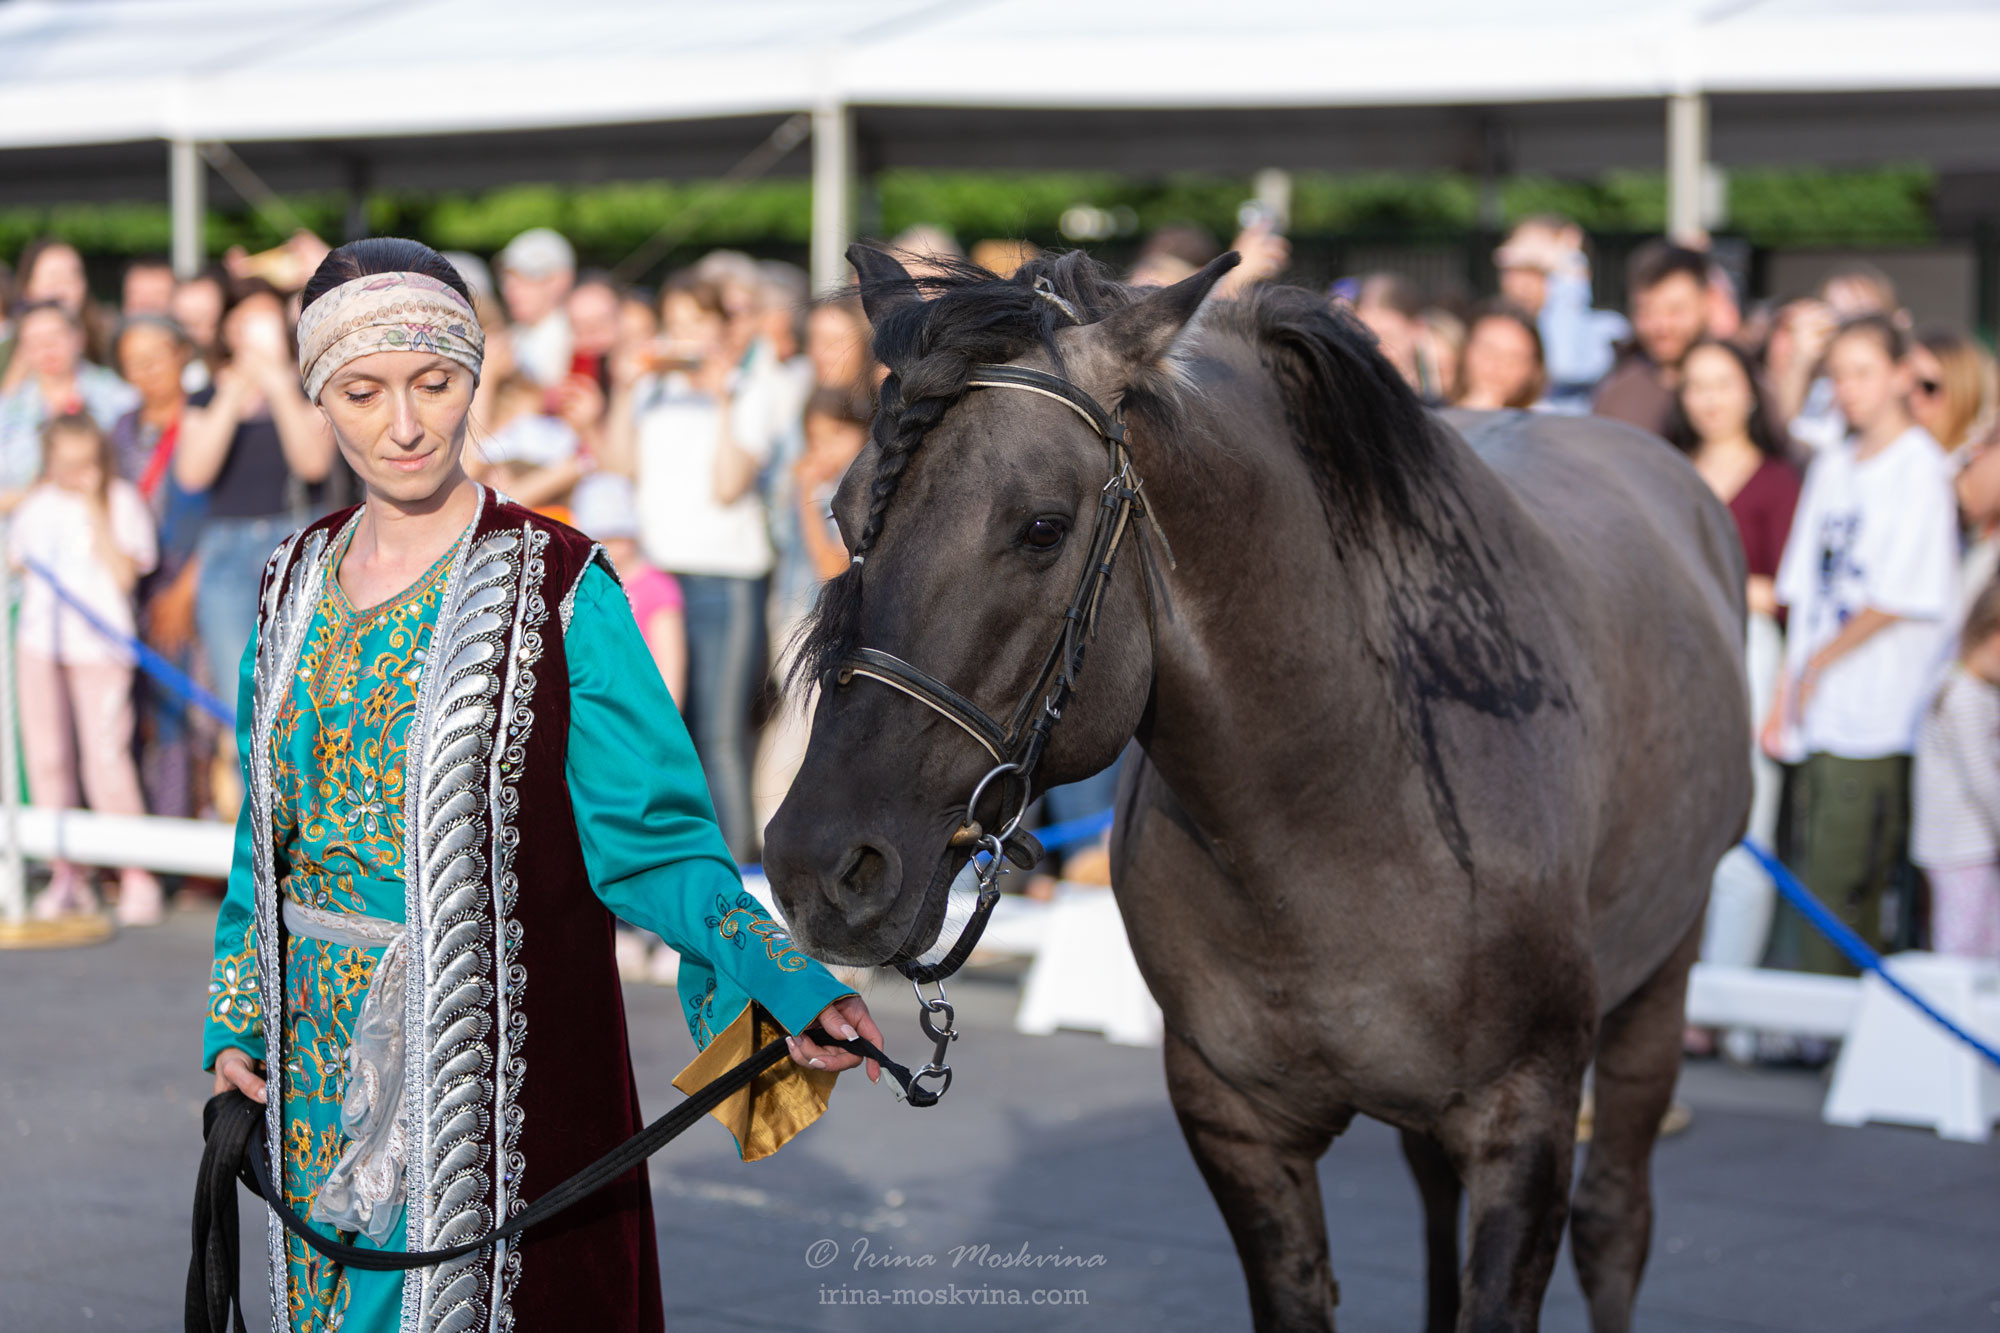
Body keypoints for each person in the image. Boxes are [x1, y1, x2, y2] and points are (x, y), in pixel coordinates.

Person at [202, 238, 882, 1333]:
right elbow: (262, 834)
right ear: (321, 396)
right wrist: (235, 1020)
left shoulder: (563, 586)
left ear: (476, 377)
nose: (406, 423)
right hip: (309, 1079)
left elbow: (654, 841)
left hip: (497, 1091)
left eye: (435, 383)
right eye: (364, 391)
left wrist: (789, 981)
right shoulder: (289, 581)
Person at [1766, 315, 1959, 975]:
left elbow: (1901, 593)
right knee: (1813, 863)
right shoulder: (1834, 462)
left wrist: (1818, 663)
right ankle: (1808, 1012)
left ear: (1903, 375)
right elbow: (1805, 585)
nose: (1849, 389)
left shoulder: (1920, 468)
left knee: (1847, 876)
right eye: (1839, 374)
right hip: (1819, 705)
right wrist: (1789, 686)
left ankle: (1826, 1022)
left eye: (1864, 372)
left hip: (1879, 711)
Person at [605, 271, 776, 861]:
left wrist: (722, 394)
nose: (681, 337)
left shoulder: (752, 386)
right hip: (656, 577)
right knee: (664, 730)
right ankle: (679, 863)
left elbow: (731, 486)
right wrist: (627, 391)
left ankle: (737, 875)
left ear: (723, 329)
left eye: (694, 324)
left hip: (723, 578)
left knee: (721, 736)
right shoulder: (653, 391)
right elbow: (617, 469)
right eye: (672, 325)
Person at [1666, 340, 1802, 1049]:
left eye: (1722, 383)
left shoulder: (1779, 480)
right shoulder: (1663, 468)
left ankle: (1721, 1002)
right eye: (1696, 384)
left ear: (1750, 390)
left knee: (1747, 837)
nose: (1709, 398)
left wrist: (1714, 578)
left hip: (1753, 651)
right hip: (1666, 656)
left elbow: (1794, 588)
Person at [176, 278, 340, 815]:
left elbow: (312, 462)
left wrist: (275, 384)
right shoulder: (205, 392)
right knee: (240, 703)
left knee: (303, 697)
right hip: (225, 557)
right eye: (244, 321)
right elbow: (193, 472)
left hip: (296, 545)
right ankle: (258, 828)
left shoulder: (308, 389)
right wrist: (232, 389)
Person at [9, 413, 162, 924]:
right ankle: (66, 873)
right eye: (65, 463)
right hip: (40, 644)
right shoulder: (36, 506)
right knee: (48, 758)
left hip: (102, 645)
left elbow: (124, 575)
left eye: (85, 462)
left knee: (106, 757)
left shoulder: (121, 501)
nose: (75, 472)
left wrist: (96, 508)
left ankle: (136, 872)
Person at [110, 316, 208, 821]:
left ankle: (192, 839)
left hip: (193, 583)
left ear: (181, 354)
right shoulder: (122, 428)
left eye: (155, 357)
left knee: (190, 718)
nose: (145, 371)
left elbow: (222, 514)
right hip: (132, 589)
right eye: (133, 362)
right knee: (138, 719)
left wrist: (188, 588)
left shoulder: (202, 417)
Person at [1912, 578, 2000, 961]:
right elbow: (1984, 780)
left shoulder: (1969, 687)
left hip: (1972, 843)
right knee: (1961, 948)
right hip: (1961, 846)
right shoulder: (1964, 695)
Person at [0, 301, 138, 506]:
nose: (47, 348)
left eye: (55, 338)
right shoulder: (8, 409)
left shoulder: (120, 396)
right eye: (35, 341)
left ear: (78, 338)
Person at [1492, 215, 1627, 410]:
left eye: (1536, 269)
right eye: (1513, 269)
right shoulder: (1493, 331)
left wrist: (1569, 269)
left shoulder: (1608, 329)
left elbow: (1565, 364)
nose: (1521, 283)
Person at [1592, 241, 1710, 438]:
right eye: (1647, 311)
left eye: (1675, 310)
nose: (1662, 326)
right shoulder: (1616, 396)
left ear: (1705, 304)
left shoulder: (1743, 387)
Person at [498, 227, 577, 386]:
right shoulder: (510, 338)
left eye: (528, 277)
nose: (511, 289)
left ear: (562, 279)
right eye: (509, 278)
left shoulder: (579, 339)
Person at [1907, 328, 1995, 455]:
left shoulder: (1973, 464)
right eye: (1906, 382)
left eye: (1928, 387)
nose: (1912, 397)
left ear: (1960, 392)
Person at [1452, 303, 1546, 411]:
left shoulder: (1550, 423)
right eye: (1488, 351)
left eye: (1514, 358)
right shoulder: (1432, 415)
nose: (1498, 365)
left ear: (1533, 370)